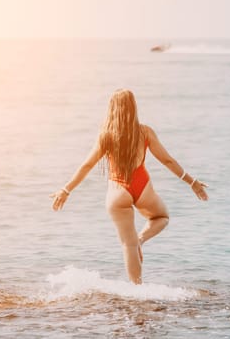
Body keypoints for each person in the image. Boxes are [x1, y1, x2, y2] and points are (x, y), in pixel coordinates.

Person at [50, 89, 208, 284]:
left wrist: (66, 190)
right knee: (162, 217)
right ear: (134, 107)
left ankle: (137, 289)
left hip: (117, 191)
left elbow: (87, 165)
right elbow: (167, 160)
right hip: (142, 187)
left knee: (128, 244)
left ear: (112, 109)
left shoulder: (106, 135)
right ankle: (140, 240)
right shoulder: (145, 132)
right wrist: (192, 182)